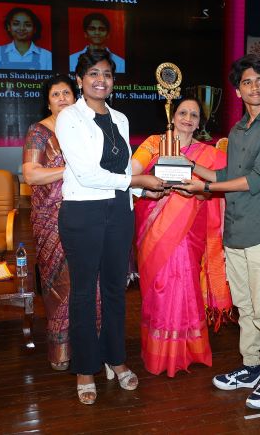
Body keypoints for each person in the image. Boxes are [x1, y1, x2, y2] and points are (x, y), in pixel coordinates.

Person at [177, 54, 260, 410]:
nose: (254, 87)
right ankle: (251, 367)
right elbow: (227, 174)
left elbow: (257, 179)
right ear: (238, 90)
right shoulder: (238, 130)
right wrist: (191, 167)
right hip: (237, 230)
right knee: (245, 307)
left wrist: (205, 189)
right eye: (247, 82)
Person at [55, 50, 164, 405]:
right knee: (85, 293)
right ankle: (86, 368)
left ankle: (115, 359)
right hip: (83, 212)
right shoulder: (69, 118)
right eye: (93, 74)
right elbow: (86, 173)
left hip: (118, 211)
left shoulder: (120, 118)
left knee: (116, 290)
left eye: (107, 74)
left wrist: (146, 182)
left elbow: (123, 169)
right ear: (80, 80)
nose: (101, 79)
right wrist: (137, 179)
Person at [131, 97, 231, 377]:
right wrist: (150, 187)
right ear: (173, 116)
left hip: (190, 229)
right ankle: (160, 352)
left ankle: (187, 349)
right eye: (183, 113)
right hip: (155, 228)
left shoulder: (208, 153)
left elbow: (217, 185)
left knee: (186, 283)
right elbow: (131, 174)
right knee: (161, 285)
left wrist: (199, 188)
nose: (188, 118)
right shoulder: (154, 143)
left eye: (195, 115)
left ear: (201, 122)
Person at [23, 74, 99, 370]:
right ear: (48, 101)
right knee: (59, 284)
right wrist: (72, 169)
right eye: (56, 95)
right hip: (50, 220)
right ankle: (61, 350)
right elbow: (31, 175)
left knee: (89, 283)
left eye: (67, 93)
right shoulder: (39, 132)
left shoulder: (88, 129)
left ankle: (92, 345)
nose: (63, 99)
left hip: (87, 215)